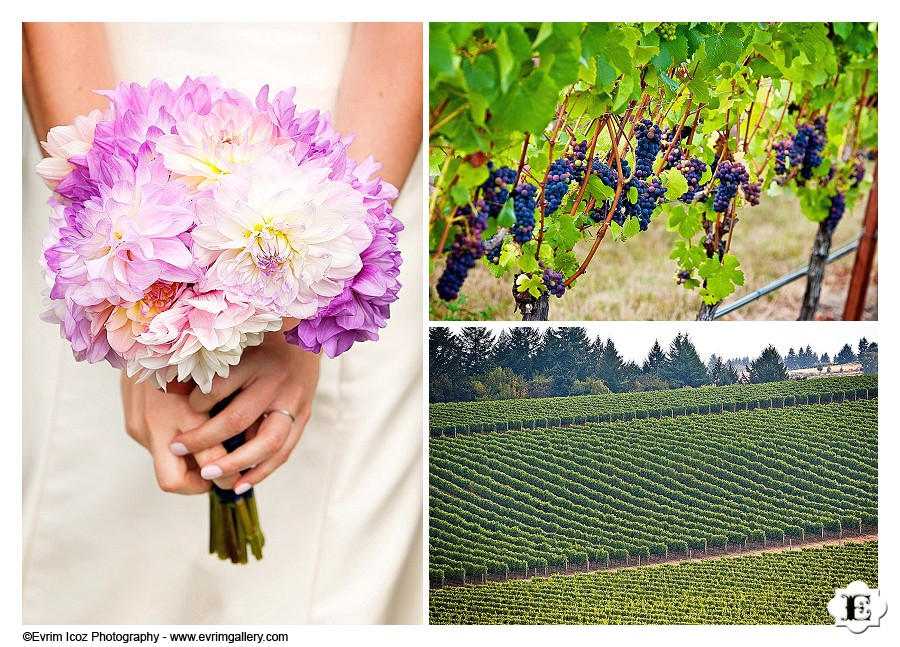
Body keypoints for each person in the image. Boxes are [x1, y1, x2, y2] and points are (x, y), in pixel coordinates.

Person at [22, 22, 423, 624]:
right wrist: (133, 312)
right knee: (100, 576)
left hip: (341, 150)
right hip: (116, 135)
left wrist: (314, 308)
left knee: (320, 583)